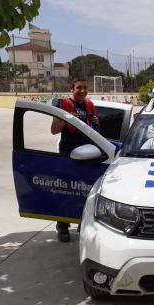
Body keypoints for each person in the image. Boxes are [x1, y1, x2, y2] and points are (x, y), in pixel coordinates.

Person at [51, 78, 99, 242]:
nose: (83, 91)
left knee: (84, 191)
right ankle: (62, 226)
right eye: (79, 88)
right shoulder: (62, 105)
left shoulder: (89, 106)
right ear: (72, 89)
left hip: (87, 153)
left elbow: (95, 132)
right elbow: (53, 130)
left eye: (85, 88)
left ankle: (81, 222)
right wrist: (66, 118)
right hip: (67, 154)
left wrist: (96, 123)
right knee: (64, 191)